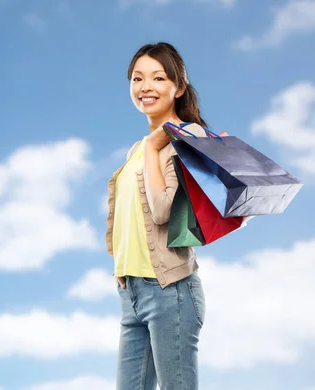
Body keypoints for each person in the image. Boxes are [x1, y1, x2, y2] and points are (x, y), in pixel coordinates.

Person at [105, 42, 208, 390]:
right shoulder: (137, 147)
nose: (145, 87)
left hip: (170, 290)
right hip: (132, 291)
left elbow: (162, 210)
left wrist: (154, 147)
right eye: (137, 78)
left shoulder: (188, 137)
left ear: (178, 87)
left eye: (157, 77)